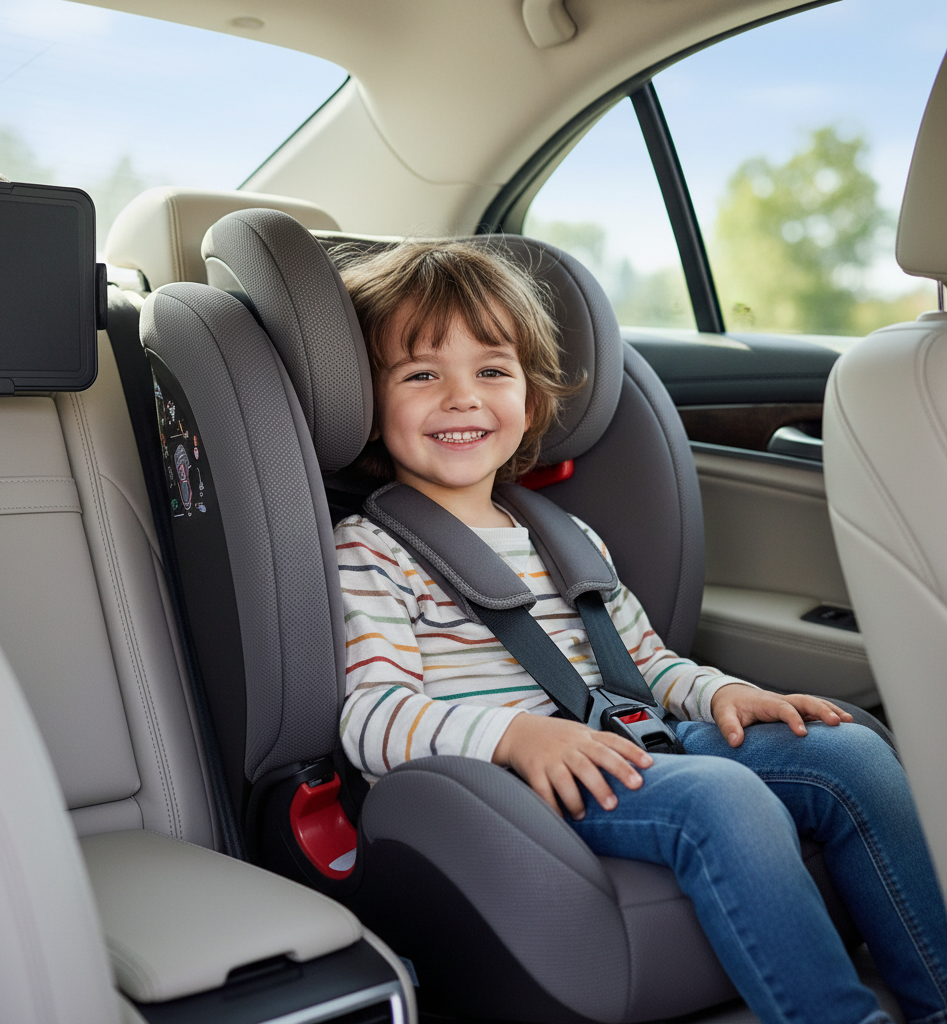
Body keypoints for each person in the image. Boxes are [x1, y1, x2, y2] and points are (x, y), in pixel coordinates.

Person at [334, 239, 947, 1024]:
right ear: (368, 403)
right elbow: (372, 714)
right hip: (520, 787)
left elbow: (647, 663)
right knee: (723, 797)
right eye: (422, 375)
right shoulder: (372, 550)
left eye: (492, 370)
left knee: (852, 752)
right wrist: (517, 738)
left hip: (633, 740)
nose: (463, 398)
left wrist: (726, 693)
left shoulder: (567, 535)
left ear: (529, 395)